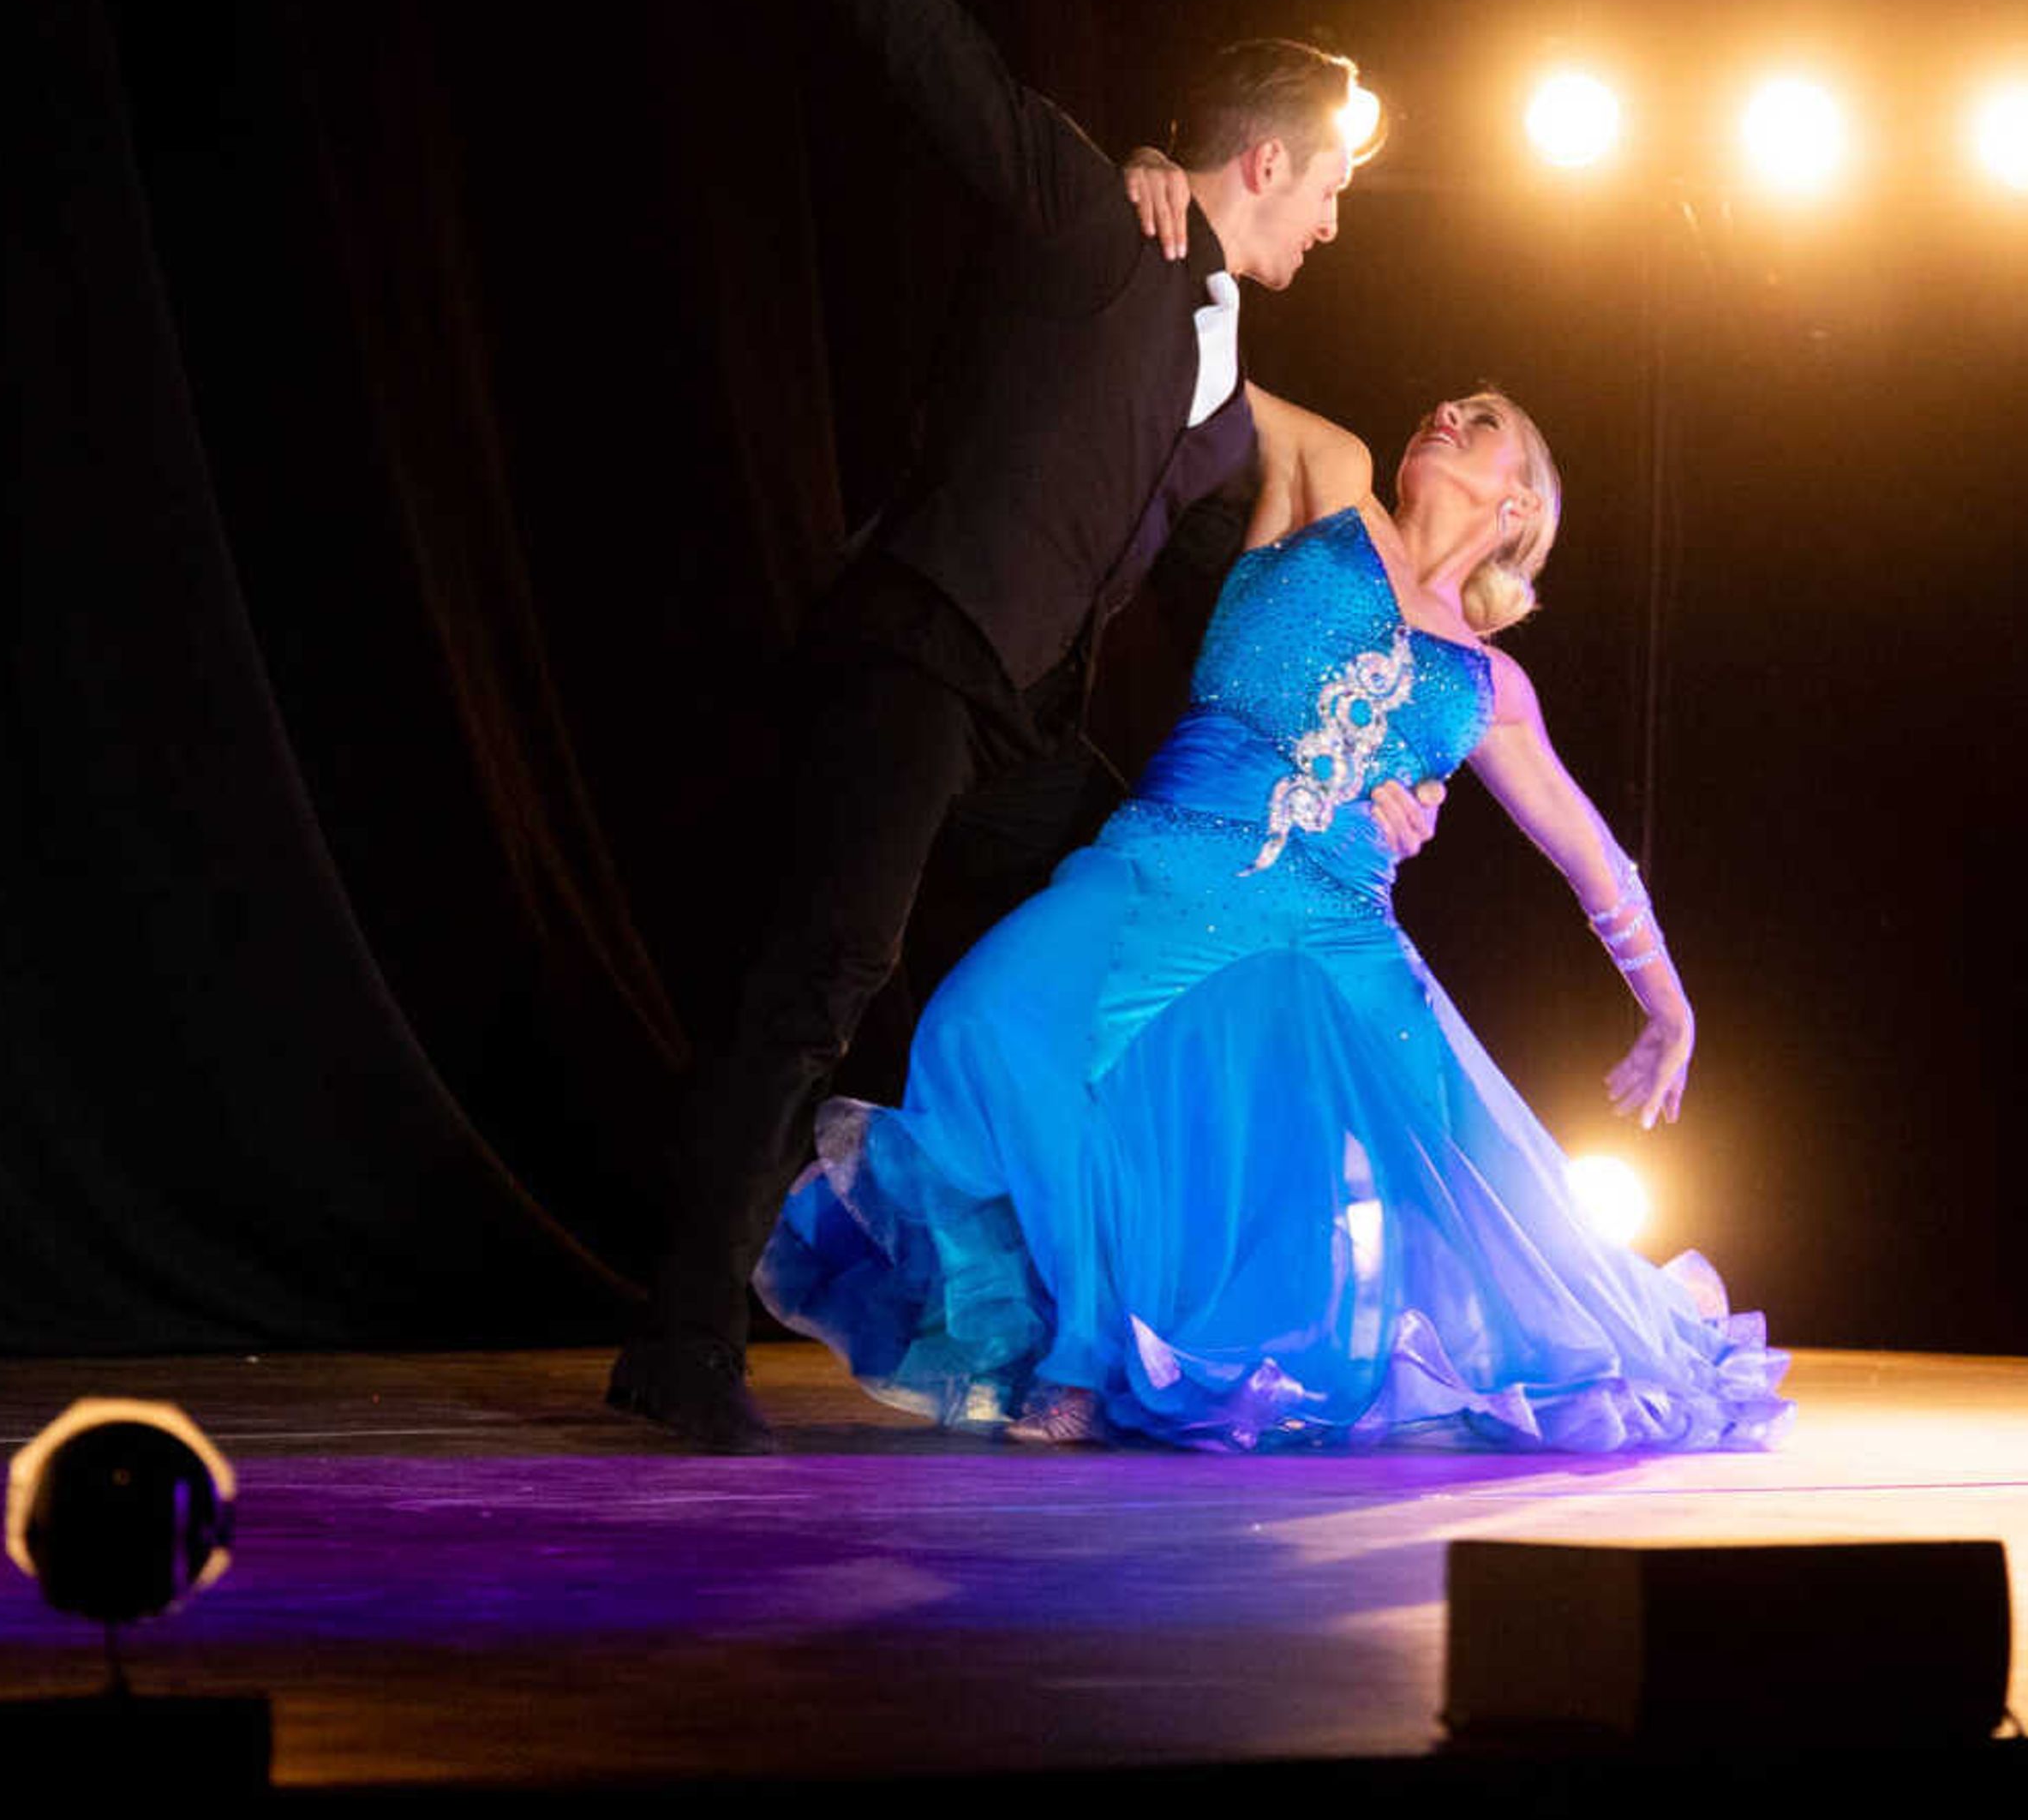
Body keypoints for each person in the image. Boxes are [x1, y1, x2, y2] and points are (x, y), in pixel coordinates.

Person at [583, 0, 1439, 1452]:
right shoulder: (1090, 218)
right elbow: (939, 60)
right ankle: (680, 1335)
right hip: (915, 650)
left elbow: (1235, 573)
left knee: (1145, 906)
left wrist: (1388, 740)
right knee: (821, 973)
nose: (1336, 219)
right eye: (1329, 183)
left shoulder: (1218, 370)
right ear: (1260, 161)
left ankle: (1104, 1316)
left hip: (1012, 714)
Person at [756, 382, 1792, 1450]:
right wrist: (1169, 218)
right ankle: (1089, 1328)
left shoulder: (1492, 684)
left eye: (1482, 421)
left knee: (1460, 1171)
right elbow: (1196, 359)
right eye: (1446, 404)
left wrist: (1670, 1007)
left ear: (1519, 506)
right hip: (1166, 858)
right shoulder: (1328, 479)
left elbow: (1590, 851)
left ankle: (1087, 1367)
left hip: (1335, 921)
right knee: (989, 1026)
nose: (1443, 411)